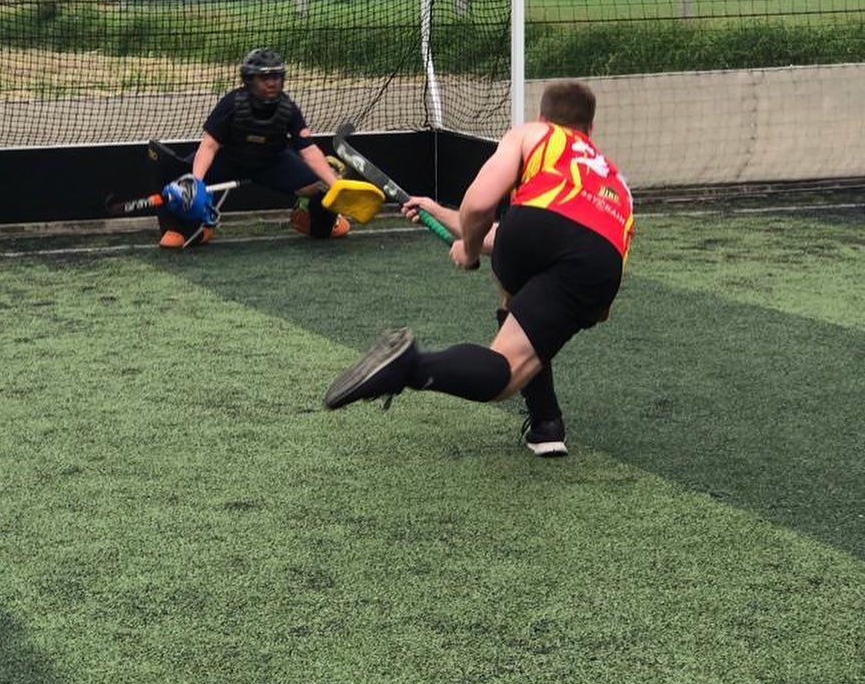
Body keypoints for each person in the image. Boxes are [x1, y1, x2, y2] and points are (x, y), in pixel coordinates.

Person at [324, 80, 634, 458]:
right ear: (590, 129)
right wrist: (436, 212)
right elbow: (589, 289)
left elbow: (481, 208)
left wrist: (469, 249)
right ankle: (545, 422)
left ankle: (412, 365)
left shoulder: (531, 134)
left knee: (509, 318)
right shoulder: (615, 182)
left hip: (530, 231)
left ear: (543, 116)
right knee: (516, 347)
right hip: (601, 261)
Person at [148, 48, 350, 248]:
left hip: (272, 162)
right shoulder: (232, 103)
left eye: (277, 77)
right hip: (229, 160)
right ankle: (185, 229)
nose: (272, 83)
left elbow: (309, 150)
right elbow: (209, 146)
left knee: (323, 183)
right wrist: (196, 182)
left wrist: (334, 184)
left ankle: (309, 218)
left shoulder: (288, 108)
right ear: (249, 80)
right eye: (265, 78)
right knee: (178, 176)